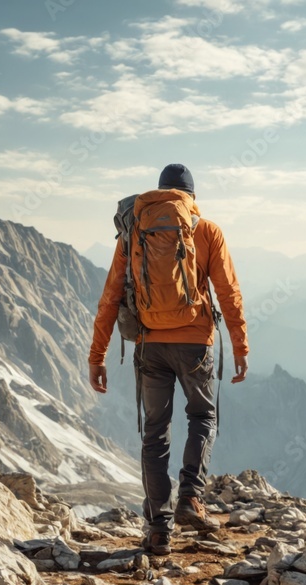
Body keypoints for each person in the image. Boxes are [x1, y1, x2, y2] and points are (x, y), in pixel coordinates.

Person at [87, 163, 249, 555]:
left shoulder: (134, 230)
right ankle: (191, 496)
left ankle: (159, 529)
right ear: (191, 197)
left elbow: (111, 297)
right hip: (195, 344)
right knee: (203, 417)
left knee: (155, 432)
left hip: (149, 345)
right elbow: (228, 293)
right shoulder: (206, 231)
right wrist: (240, 346)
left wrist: (97, 356)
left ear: (159, 192)